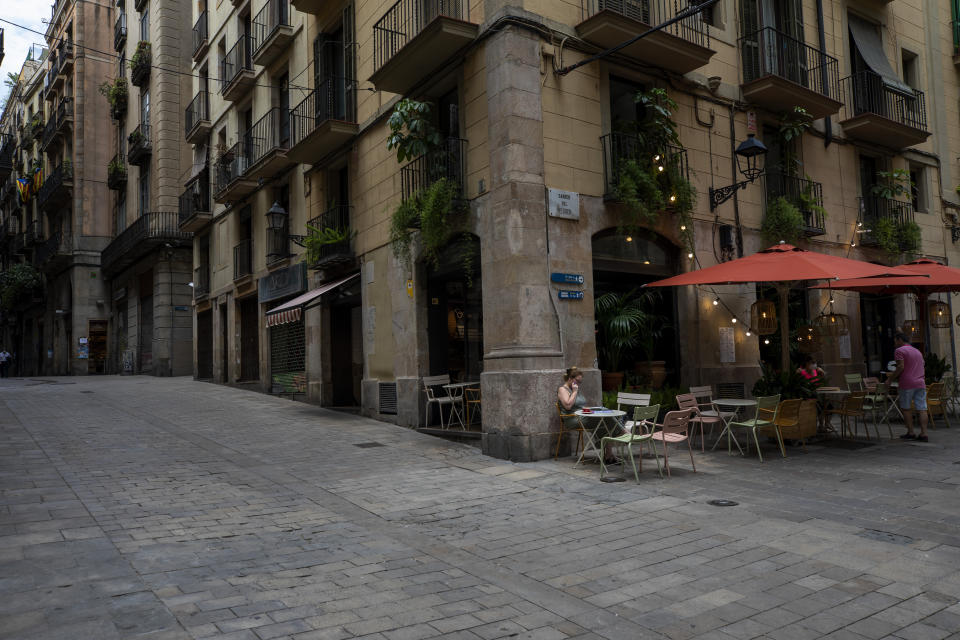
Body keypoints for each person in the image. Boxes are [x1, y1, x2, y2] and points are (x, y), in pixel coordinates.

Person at [557, 366, 625, 463]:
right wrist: (575, 391)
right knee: (604, 419)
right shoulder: (563, 389)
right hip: (572, 419)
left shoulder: (574, 389)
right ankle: (623, 433)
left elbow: (580, 406)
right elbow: (568, 406)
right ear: (570, 379)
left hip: (582, 416)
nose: (578, 384)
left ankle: (608, 455)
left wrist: (592, 409)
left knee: (604, 414)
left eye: (580, 382)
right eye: (577, 381)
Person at [889, 332, 928, 442]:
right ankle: (924, 433)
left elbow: (900, 367)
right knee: (922, 408)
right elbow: (923, 364)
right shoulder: (917, 351)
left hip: (907, 383)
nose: (895, 343)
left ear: (900, 340)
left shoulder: (899, 351)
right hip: (920, 382)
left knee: (906, 408)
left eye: (895, 341)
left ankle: (911, 432)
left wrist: (889, 379)